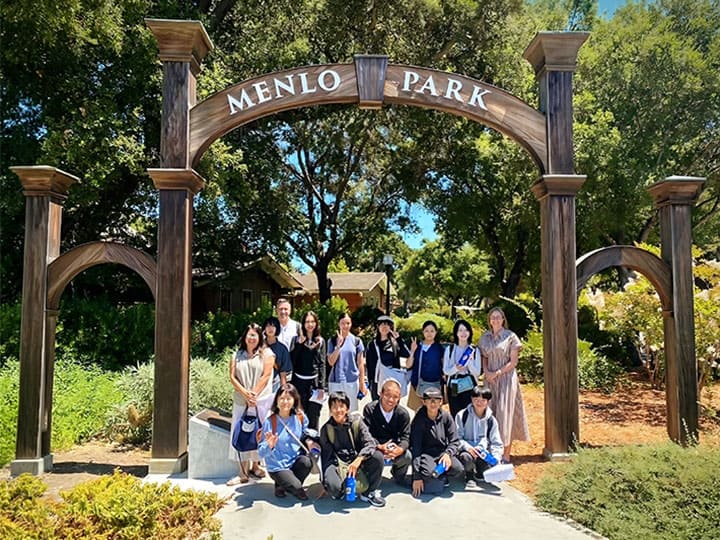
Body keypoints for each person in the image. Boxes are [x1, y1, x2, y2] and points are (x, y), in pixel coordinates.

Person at [479, 307, 529, 463]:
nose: (495, 320)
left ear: (503, 319)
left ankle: (506, 454)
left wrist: (498, 373)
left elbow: (513, 362)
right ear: (489, 320)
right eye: (493, 317)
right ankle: (491, 452)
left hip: (506, 379)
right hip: (490, 380)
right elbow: (484, 357)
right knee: (490, 413)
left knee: (505, 414)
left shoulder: (510, 337)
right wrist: (487, 372)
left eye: (498, 317)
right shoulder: (484, 337)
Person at [319, 391, 386, 507]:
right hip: (338, 462)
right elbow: (326, 456)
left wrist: (359, 459)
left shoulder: (357, 422)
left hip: (358, 459)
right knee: (333, 487)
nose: (338, 410)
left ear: (347, 408)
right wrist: (325, 481)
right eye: (334, 407)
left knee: (377, 457)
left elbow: (370, 443)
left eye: (341, 406)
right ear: (330, 410)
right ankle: (339, 489)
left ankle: (369, 492)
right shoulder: (326, 429)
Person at [227, 323, 274, 485]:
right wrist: (245, 394)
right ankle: (242, 472)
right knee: (242, 433)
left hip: (260, 401)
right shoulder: (236, 355)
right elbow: (232, 377)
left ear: (260, 337)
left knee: (258, 433)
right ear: (245, 336)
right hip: (241, 401)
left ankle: (256, 465)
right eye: (249, 334)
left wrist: (253, 394)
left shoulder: (267, 353)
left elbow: (266, 375)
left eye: (255, 335)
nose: (252, 338)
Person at [257, 383, 318, 500]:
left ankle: (285, 484)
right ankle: (285, 484)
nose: (285, 402)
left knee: (307, 462)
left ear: (294, 400)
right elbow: (261, 453)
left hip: (294, 461)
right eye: (282, 399)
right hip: (277, 465)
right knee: (296, 487)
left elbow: (305, 434)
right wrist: (269, 445)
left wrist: (311, 440)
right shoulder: (270, 422)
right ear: (277, 401)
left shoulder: (300, 418)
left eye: (289, 398)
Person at [409, 386, 463, 497]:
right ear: (424, 402)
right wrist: (417, 476)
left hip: (442, 453)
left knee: (458, 468)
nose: (433, 403)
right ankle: (435, 477)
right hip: (426, 454)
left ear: (441, 402)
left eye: (436, 400)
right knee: (430, 478)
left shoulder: (446, 417)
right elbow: (416, 448)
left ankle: (440, 476)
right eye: (429, 400)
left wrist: (448, 454)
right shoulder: (419, 420)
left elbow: (454, 441)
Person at [362, 378, 412, 485]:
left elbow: (405, 436)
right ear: (381, 394)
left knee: (407, 456)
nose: (391, 400)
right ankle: (371, 479)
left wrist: (400, 449)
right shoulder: (370, 409)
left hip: (393, 448)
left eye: (395, 397)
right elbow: (366, 433)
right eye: (388, 395)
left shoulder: (403, 414)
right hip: (375, 446)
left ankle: (399, 476)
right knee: (374, 456)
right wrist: (378, 446)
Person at [455, 386, 504, 488]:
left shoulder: (491, 420)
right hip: (466, 450)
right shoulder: (462, 415)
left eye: (483, 400)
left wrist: (496, 458)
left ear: (488, 401)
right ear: (471, 399)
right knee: (466, 457)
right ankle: (469, 475)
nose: (479, 403)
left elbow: (496, 442)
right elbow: (456, 438)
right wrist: (468, 448)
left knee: (486, 463)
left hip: (483, 451)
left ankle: (481, 470)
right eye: (476, 399)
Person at [290, 310, 326, 430]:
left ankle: (313, 446)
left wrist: (321, 387)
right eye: (307, 322)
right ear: (303, 324)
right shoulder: (296, 340)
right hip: (299, 383)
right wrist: (299, 345)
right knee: (298, 416)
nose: (310, 324)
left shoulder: (320, 341)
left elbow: (322, 364)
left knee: (313, 417)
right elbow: (292, 361)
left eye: (312, 321)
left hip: (314, 384)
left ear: (316, 323)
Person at [364, 315, 411, 400]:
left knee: (391, 404)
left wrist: (399, 340)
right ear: (378, 327)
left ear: (391, 327)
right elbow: (369, 364)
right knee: (377, 406)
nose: (384, 327)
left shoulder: (395, 342)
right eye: (381, 324)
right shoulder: (372, 344)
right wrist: (370, 382)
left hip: (392, 380)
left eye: (387, 325)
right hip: (377, 381)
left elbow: (407, 354)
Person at [327, 313, 366, 411]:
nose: (345, 326)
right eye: (343, 323)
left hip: (352, 382)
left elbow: (360, 364)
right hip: (335, 382)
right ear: (338, 324)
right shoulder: (332, 341)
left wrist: (362, 384)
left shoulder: (357, 341)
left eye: (348, 323)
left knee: (351, 412)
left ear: (351, 324)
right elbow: (331, 362)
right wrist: (338, 346)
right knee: (336, 412)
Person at [443, 319, 482, 417]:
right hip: (454, 385)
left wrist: (469, 363)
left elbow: (477, 372)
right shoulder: (450, 349)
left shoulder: (474, 350)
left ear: (470, 332)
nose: (463, 333)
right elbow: (446, 370)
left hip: (469, 384)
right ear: (456, 333)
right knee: (455, 413)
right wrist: (456, 368)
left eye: (466, 330)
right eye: (460, 330)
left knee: (469, 414)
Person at [406, 320, 445, 412]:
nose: (429, 333)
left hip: (435, 385)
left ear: (436, 332)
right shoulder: (417, 346)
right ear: (423, 332)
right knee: (418, 412)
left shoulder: (439, 348)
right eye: (426, 331)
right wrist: (412, 351)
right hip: (418, 385)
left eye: (432, 331)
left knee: (433, 412)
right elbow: (408, 365)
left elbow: (444, 366)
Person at [264, 316, 293, 392]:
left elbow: (283, 372)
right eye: (268, 326)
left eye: (273, 326)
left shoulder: (282, 348)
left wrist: (283, 389)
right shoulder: (259, 347)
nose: (270, 328)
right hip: (260, 382)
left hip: (275, 383)